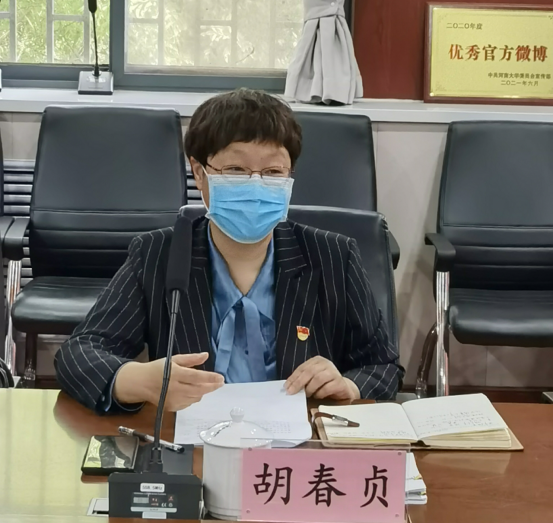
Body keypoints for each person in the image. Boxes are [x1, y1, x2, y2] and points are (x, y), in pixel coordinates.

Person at [54, 89, 404, 414]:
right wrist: (139, 380)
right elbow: (79, 354)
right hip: (194, 440)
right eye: (236, 170)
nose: (256, 185)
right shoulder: (158, 255)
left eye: (273, 172)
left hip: (298, 444)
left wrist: (348, 385)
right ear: (199, 173)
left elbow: (383, 366)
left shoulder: (334, 257)